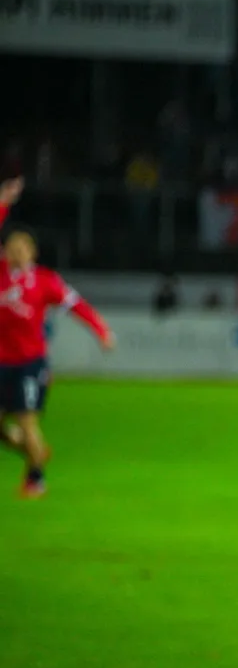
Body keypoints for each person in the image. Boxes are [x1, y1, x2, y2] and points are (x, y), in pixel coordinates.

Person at [0, 178, 116, 498]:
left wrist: (101, 330)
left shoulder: (45, 282)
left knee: (26, 421)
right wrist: (3, 204)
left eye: (21, 249)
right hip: (1, 361)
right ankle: (34, 452)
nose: (14, 253)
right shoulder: (0, 274)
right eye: (10, 248)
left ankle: (36, 478)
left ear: (32, 252)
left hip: (29, 362)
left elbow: (76, 305)